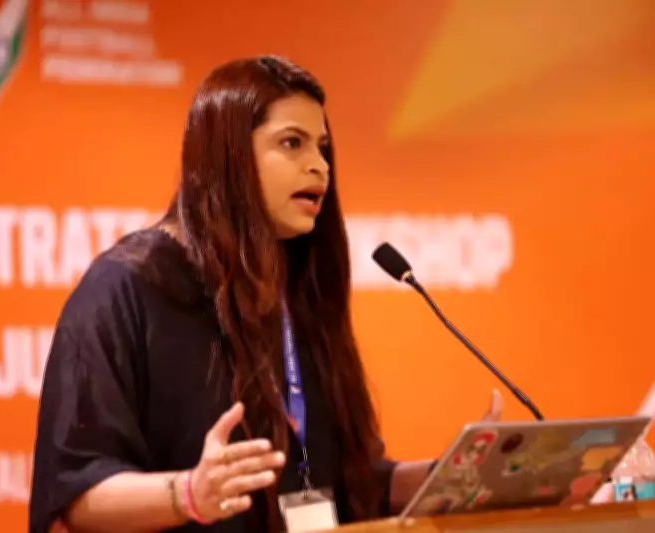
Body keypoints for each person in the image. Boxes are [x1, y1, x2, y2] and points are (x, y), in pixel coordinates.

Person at [28, 55, 503, 533]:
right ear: (228, 153)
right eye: (292, 143)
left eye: (322, 148)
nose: (319, 166)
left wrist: (451, 477)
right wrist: (190, 494)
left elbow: (346, 481)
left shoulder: (297, 289)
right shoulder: (126, 286)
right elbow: (77, 494)